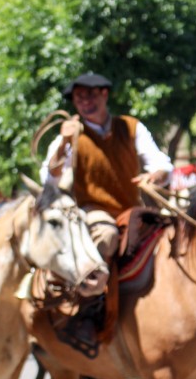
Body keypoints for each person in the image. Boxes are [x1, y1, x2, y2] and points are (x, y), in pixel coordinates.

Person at [40, 72, 174, 262]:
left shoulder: (131, 127)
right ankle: (95, 291)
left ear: (105, 94)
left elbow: (162, 165)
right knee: (106, 237)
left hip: (131, 209)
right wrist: (63, 144)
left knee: (171, 233)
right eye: (79, 98)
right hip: (93, 213)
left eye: (91, 95)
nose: (86, 102)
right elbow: (49, 179)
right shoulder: (71, 136)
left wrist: (154, 177)